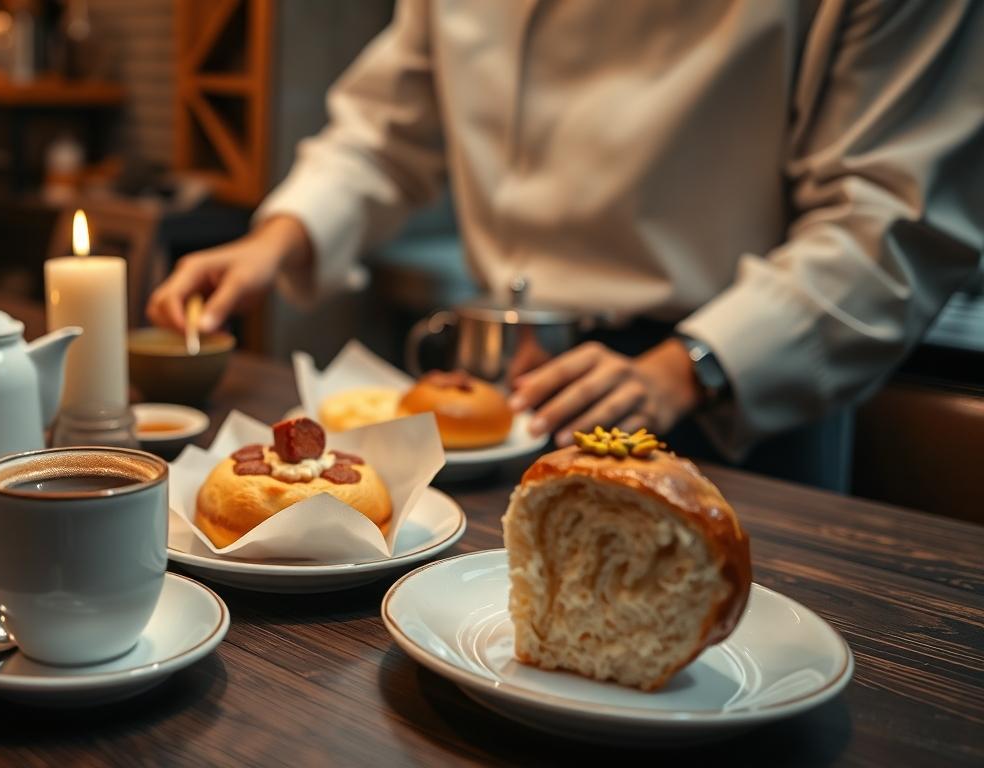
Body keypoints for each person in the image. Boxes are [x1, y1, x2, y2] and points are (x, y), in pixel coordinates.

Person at [148, 0, 983, 487]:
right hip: (504, 389)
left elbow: (891, 214)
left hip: (736, 396)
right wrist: (277, 237)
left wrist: (686, 366)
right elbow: (384, 129)